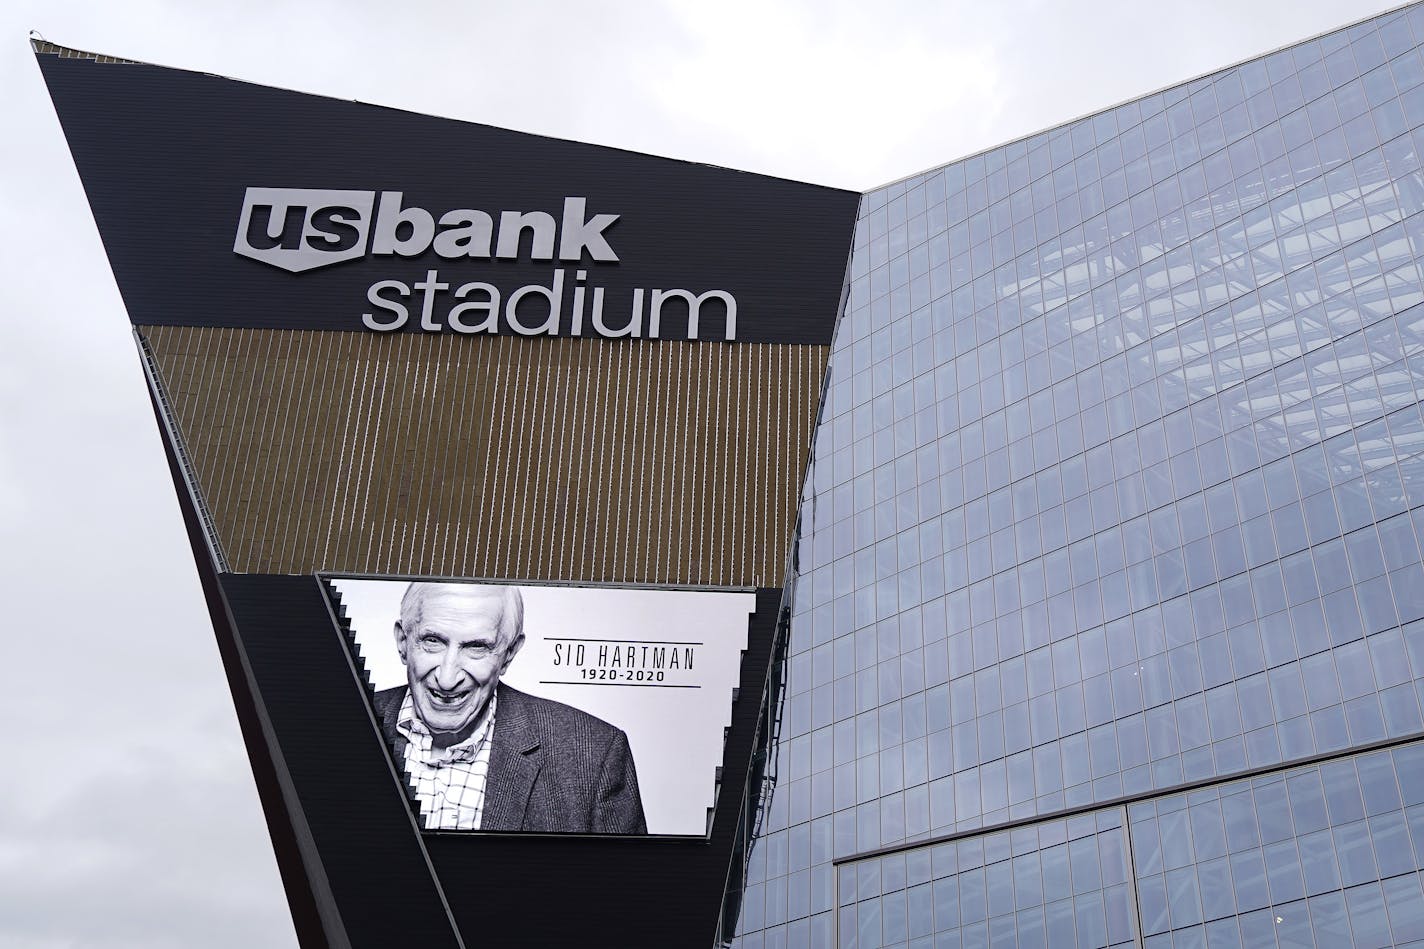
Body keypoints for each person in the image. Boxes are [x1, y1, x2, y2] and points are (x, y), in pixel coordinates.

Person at [371, 581, 647, 834]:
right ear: (403, 641)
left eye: (476, 647)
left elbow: (626, 885)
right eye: (433, 641)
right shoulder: (336, 729)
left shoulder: (595, 752)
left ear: (509, 654)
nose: (447, 678)